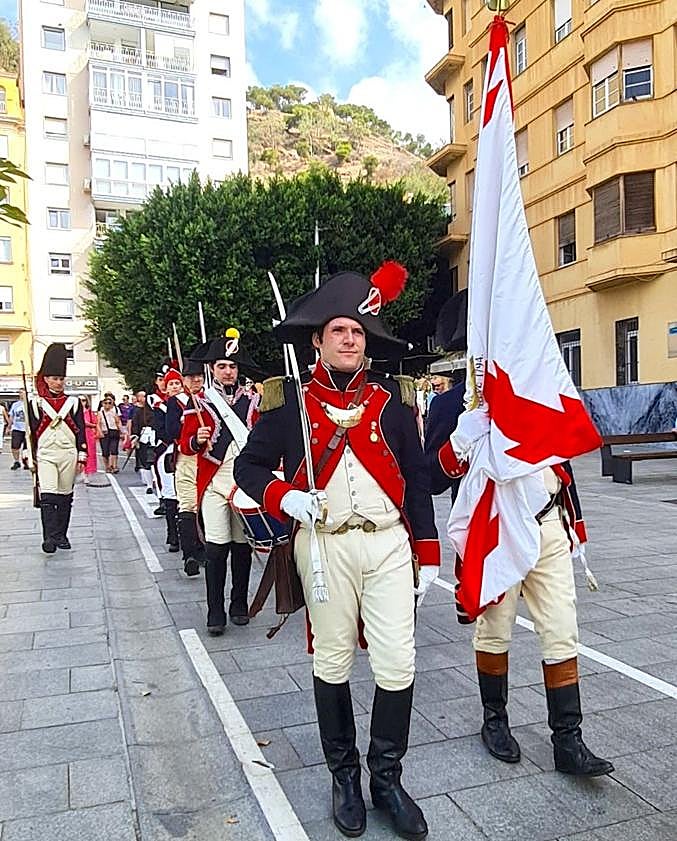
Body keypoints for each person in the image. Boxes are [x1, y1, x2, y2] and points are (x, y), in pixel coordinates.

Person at [234, 263, 440, 841]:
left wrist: (426, 550)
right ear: (318, 341)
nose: (349, 340)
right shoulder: (288, 403)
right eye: (338, 332)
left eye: (357, 331)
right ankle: (344, 777)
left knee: (398, 661)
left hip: (387, 545)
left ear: (366, 340)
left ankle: (387, 778)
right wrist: (285, 496)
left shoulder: (393, 400)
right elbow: (248, 467)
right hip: (323, 547)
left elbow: (417, 478)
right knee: (332, 663)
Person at [426, 397, 614, 777]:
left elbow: (562, 459)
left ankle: (568, 739)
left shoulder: (535, 383)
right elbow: (430, 477)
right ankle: (494, 721)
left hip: (548, 524)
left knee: (562, 630)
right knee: (494, 632)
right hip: (495, 533)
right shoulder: (452, 404)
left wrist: (575, 523)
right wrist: (460, 441)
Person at [180, 329, 260, 634]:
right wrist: (196, 439)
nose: (228, 371)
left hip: (243, 487)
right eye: (222, 366)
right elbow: (185, 445)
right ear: (212, 369)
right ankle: (215, 610)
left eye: (233, 366)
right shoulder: (200, 403)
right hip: (214, 486)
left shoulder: (253, 401)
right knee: (216, 549)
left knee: (242, 548)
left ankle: (238, 603)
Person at [27, 343, 87, 553]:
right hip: (45, 454)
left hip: (68, 454)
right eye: (54, 378)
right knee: (49, 496)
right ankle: (49, 537)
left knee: (65, 497)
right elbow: (31, 432)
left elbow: (80, 431)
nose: (58, 382)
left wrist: (82, 454)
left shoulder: (74, 402)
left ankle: (61, 534)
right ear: (45, 379)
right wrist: (29, 454)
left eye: (61, 379)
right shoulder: (35, 403)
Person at [166, 353, 206, 577]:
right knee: (187, 504)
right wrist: (185, 422)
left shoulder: (210, 399)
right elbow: (171, 431)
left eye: (199, 376)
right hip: (186, 457)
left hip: (208, 459)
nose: (196, 381)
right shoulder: (177, 402)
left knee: (205, 504)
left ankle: (203, 548)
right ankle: (189, 553)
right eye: (191, 377)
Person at [152, 365, 183, 552]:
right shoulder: (160, 406)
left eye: (177, 383)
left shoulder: (188, 403)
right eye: (170, 383)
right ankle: (173, 536)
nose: (174, 387)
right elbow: (161, 430)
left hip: (188, 450)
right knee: (171, 495)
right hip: (169, 450)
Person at [130, 391, 156, 496]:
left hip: (157, 439)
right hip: (144, 438)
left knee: (155, 462)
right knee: (146, 462)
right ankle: (149, 484)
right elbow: (135, 425)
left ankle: (154, 482)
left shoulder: (159, 411)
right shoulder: (139, 412)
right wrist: (135, 437)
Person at [98, 396, 122, 473]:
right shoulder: (100, 413)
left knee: (114, 450)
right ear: (103, 404)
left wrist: (121, 431)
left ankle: (114, 466)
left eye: (109, 403)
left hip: (114, 431)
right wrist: (100, 432)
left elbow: (118, 422)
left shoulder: (114, 412)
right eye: (106, 403)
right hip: (105, 432)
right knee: (105, 452)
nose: (107, 405)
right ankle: (107, 466)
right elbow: (98, 424)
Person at [8, 390, 29, 470]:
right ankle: (16, 461)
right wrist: (9, 426)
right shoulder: (15, 405)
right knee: (15, 446)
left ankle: (26, 462)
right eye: (20, 393)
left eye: (23, 392)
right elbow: (11, 416)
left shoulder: (29, 404)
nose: (21, 394)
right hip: (17, 428)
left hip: (27, 429)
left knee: (27, 448)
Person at [80, 396, 99, 483]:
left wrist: (88, 424)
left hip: (89, 434)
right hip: (79, 435)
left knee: (89, 454)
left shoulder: (90, 412)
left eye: (83, 400)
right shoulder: (75, 412)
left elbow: (96, 423)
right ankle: (81, 472)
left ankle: (86, 473)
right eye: (80, 400)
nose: (82, 402)